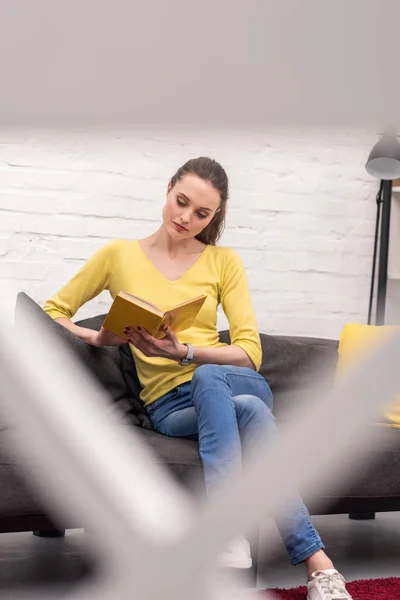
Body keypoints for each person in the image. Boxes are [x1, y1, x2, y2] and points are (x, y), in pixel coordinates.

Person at [43, 157, 352, 600]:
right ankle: (318, 567)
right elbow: (53, 313)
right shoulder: (118, 255)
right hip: (170, 408)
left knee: (216, 380)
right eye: (181, 202)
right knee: (250, 417)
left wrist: (183, 351)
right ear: (168, 189)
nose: (185, 218)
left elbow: (250, 353)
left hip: (233, 380)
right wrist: (99, 336)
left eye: (201, 213)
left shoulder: (223, 262)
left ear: (214, 217)